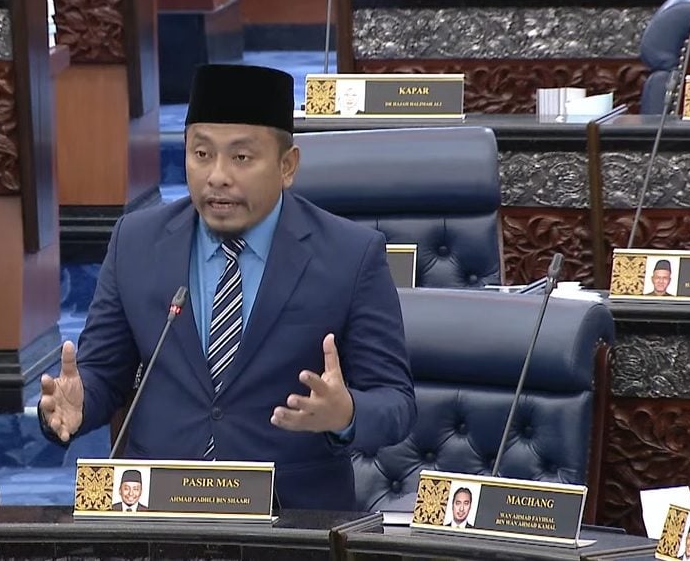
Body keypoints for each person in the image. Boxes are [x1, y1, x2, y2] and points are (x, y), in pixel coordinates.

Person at [38, 64, 416, 511]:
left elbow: (396, 403)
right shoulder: (135, 243)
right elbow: (104, 375)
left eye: (241, 158)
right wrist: (78, 403)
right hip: (157, 512)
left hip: (292, 519)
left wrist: (346, 413)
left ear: (287, 166)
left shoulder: (350, 255)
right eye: (201, 154)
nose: (217, 176)